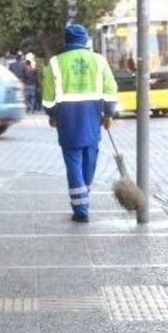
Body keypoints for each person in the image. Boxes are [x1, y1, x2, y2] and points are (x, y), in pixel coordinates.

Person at [42, 24, 117, 222]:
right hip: (92, 117)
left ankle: (81, 208)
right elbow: (110, 88)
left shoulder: (56, 62)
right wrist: (108, 114)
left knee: (73, 160)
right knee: (90, 158)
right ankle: (83, 197)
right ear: (85, 40)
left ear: (66, 39)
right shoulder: (99, 60)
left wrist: (52, 114)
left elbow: (48, 96)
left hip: (67, 119)